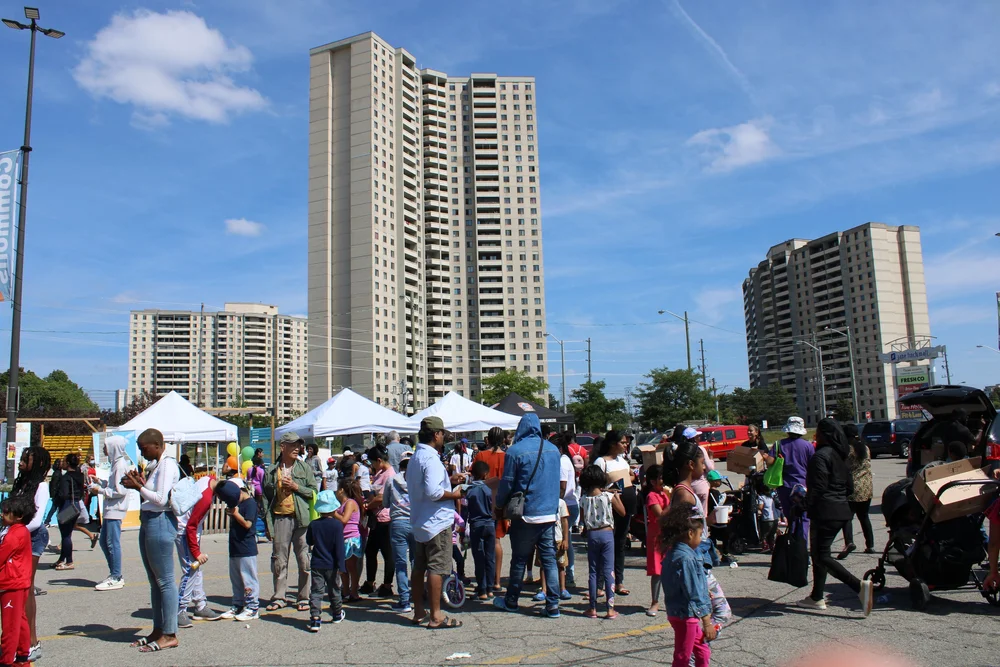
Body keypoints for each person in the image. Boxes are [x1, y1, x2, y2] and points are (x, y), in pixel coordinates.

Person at [797, 419, 873, 616]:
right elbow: (849, 488)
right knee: (820, 553)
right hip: (841, 511)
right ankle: (816, 596)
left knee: (822, 556)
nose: (816, 436)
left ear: (825, 435)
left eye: (818, 432)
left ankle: (859, 587)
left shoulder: (820, 457)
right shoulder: (840, 456)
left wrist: (802, 505)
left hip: (825, 511)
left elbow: (818, 488)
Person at [493, 413, 562, 618]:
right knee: (549, 560)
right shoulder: (553, 450)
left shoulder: (515, 451)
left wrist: (499, 505)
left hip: (525, 513)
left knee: (519, 559)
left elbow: (507, 483)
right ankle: (553, 604)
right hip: (548, 513)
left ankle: (512, 600)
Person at [122, 428, 181, 653]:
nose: (142, 452)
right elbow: (153, 493)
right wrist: (139, 483)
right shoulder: (156, 465)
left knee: (165, 581)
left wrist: (138, 487)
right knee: (155, 581)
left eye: (144, 448)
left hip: (160, 522)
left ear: (156, 445)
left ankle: (170, 634)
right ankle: (159, 629)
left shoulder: (167, 465)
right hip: (149, 521)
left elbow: (160, 499)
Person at [407, 415, 465, 629]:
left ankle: (419, 612)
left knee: (419, 568)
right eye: (442, 433)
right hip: (436, 522)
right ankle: (436, 615)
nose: (443, 437)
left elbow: (425, 487)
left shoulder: (416, 457)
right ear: (436, 434)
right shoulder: (431, 459)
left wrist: (448, 481)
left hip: (420, 520)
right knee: (437, 568)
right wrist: (456, 494)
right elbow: (434, 492)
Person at [262, 432, 317, 612]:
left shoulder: (304, 468)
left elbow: (314, 492)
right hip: (280, 518)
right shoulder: (271, 470)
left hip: (301, 520)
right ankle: (279, 597)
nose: (296, 448)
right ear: (283, 446)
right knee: (279, 560)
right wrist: (268, 524)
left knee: (304, 559)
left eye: (298, 445)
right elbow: (265, 499)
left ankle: (304, 597)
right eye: (292, 445)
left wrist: (296, 486)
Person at [660, 502, 716, 667]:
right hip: (686, 615)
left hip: (679, 612)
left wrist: (703, 591)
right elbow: (693, 592)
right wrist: (707, 622)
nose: (700, 539)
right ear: (690, 533)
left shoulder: (673, 553)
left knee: (702, 650)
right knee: (683, 656)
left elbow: (686, 585)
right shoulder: (686, 558)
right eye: (699, 534)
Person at [10, 446, 50, 663]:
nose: (21, 462)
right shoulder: (22, 483)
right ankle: (18, 638)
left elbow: (36, 520)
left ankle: (32, 642)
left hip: (31, 537)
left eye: (27, 459)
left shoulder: (41, 486)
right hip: (16, 537)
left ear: (39, 463)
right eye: (22, 458)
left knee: (26, 588)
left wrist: (13, 533)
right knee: (16, 588)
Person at [593, 430, 637, 597]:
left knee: (620, 543)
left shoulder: (622, 461)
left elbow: (630, 477)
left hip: (627, 506)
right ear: (613, 444)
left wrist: (625, 480)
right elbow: (595, 485)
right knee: (606, 544)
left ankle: (619, 581)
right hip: (610, 507)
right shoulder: (601, 461)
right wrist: (612, 485)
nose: (626, 445)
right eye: (623, 442)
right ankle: (600, 585)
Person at [579, 465, 625, 619]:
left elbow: (583, 519)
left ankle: (592, 607)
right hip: (607, 534)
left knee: (593, 571)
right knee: (608, 570)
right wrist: (617, 496)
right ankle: (610, 608)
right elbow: (622, 512)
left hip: (592, 534)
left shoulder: (584, 499)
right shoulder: (608, 496)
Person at [175, 473, 220, 628]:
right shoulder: (206, 499)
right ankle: (179, 610)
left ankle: (200, 605)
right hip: (184, 532)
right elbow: (191, 526)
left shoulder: (208, 480)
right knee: (190, 569)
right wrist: (196, 553)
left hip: (190, 532)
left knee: (196, 569)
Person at [214, 480, 260, 621]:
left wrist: (236, 514)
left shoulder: (250, 504)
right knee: (236, 579)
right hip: (235, 547)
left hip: (247, 548)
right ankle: (238, 604)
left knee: (248, 579)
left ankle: (252, 607)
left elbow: (248, 524)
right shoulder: (237, 503)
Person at [89, 436, 131, 592]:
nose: (104, 449)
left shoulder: (120, 465)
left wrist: (99, 490)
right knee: (104, 542)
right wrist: (100, 482)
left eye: (106, 446)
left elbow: (120, 491)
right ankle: (114, 573)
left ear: (114, 447)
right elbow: (114, 485)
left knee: (112, 543)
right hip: (110, 509)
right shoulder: (116, 464)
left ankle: (116, 576)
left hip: (115, 510)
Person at [763, 417, 815, 540]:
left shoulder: (779, 444)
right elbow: (813, 465)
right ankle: (802, 543)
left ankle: (792, 541)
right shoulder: (808, 446)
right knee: (803, 517)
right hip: (802, 486)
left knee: (790, 516)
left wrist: (766, 457)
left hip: (785, 486)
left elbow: (769, 462)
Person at [0, 494, 37, 666]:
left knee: (10, 626)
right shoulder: (17, 531)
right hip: (18, 581)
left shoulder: (15, 534)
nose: (2, 515)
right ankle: (22, 655)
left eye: (6, 512)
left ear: (19, 516)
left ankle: (7, 659)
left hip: (12, 583)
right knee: (20, 620)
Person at [306, 489, 346, 631]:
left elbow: (309, 541)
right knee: (334, 589)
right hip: (332, 563)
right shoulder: (337, 525)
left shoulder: (313, 524)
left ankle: (315, 618)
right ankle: (337, 613)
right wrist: (341, 566)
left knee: (316, 591)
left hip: (317, 562)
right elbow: (339, 547)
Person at [474, 426, 508, 592]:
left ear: (488, 438)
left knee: (481, 543)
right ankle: (497, 580)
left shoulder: (481, 455)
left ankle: (484, 581)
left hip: (482, 500)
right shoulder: (507, 457)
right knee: (496, 540)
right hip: (500, 501)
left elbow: (474, 476)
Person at [361, 446, 395, 598]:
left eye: (373, 462)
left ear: (379, 460)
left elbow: (381, 498)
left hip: (385, 519)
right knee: (370, 551)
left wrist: (367, 505)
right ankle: (370, 582)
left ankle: (387, 585)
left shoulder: (390, 474)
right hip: (376, 518)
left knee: (388, 554)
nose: (372, 466)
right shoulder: (380, 473)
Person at [53, 453, 97, 570]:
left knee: (65, 535)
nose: (62, 463)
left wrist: (57, 500)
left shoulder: (66, 477)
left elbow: (63, 494)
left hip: (67, 505)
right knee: (67, 534)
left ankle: (69, 562)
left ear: (68, 463)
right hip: (76, 505)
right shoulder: (80, 475)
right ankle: (61, 559)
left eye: (64, 461)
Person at [839, 423, 875, 559]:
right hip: (866, 486)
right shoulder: (865, 448)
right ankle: (870, 545)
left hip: (852, 487)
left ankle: (849, 542)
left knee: (847, 517)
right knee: (864, 516)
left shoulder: (847, 450)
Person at [385, 454, 414, 613]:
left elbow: (385, 503)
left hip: (398, 522)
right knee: (417, 560)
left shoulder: (391, 480)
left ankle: (404, 600)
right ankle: (418, 594)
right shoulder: (417, 479)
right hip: (415, 521)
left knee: (400, 563)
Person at [465, 460, 496, 600]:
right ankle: (490, 588)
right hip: (490, 524)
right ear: (485, 474)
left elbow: (465, 506)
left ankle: (482, 589)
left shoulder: (469, 489)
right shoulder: (489, 489)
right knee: (490, 557)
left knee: (479, 558)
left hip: (476, 524)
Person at [643, 464, 669, 616]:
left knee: (670, 568)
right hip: (656, 536)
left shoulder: (664, 493)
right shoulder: (652, 496)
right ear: (653, 481)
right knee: (657, 571)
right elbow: (660, 515)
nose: (663, 481)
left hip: (668, 535)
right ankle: (655, 601)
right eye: (660, 478)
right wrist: (673, 502)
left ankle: (670, 599)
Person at [334, 479, 364, 602]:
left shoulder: (350, 503)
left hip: (351, 539)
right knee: (342, 568)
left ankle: (354, 592)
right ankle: (345, 591)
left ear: (341, 490)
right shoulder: (341, 504)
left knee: (351, 567)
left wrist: (333, 513)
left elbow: (344, 519)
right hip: (342, 538)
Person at [556, 433, 580, 586]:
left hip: (567, 504)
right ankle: (566, 574)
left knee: (563, 540)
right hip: (570, 503)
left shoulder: (563, 462)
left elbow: (562, 486)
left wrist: (557, 501)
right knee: (566, 539)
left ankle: (568, 574)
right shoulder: (565, 460)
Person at [247, 448, 267, 540]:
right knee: (260, 506)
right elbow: (263, 481)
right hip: (259, 489)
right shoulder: (261, 471)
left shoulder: (249, 469)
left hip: (252, 489)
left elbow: (248, 479)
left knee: (254, 505)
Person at [757, 481, 778, 552]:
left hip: (767, 519)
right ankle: (772, 546)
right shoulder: (772, 497)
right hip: (775, 518)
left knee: (764, 534)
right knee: (772, 534)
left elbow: (760, 507)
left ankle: (765, 546)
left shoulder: (761, 497)